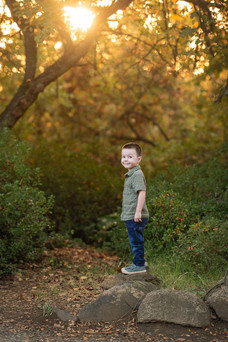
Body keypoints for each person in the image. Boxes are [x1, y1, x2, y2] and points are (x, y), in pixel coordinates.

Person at [120, 142, 149, 275]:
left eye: (130, 156)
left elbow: (141, 192)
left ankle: (138, 265)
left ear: (139, 159)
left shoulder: (137, 174)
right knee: (136, 239)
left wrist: (138, 212)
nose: (126, 159)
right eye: (124, 156)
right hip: (131, 214)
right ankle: (141, 261)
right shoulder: (131, 174)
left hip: (135, 215)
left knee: (136, 240)